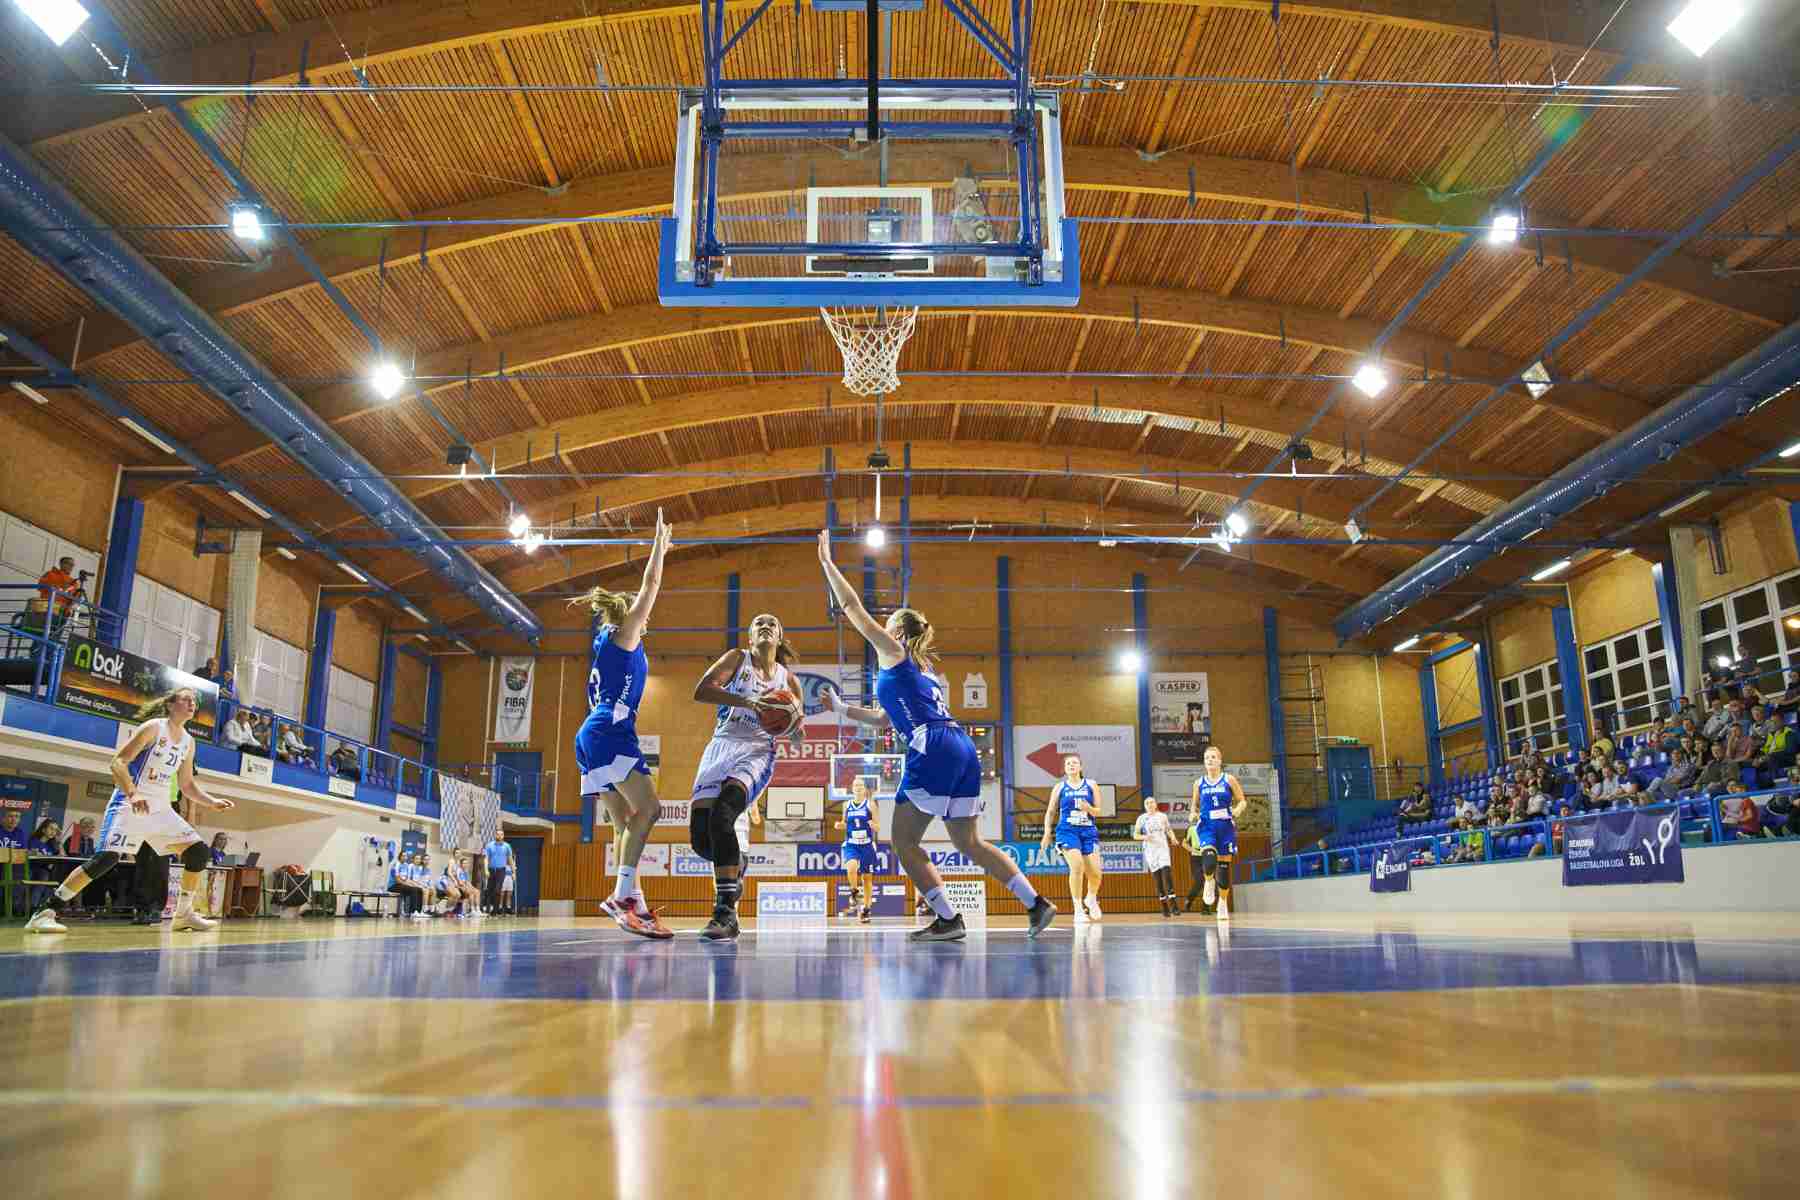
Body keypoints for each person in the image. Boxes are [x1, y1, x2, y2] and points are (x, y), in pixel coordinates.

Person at [816, 527, 1054, 942]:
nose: (881, 629)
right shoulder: (922, 673)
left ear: (898, 634)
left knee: (903, 841)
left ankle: (947, 918)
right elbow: (883, 720)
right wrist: (840, 709)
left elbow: (852, 607)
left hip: (933, 746)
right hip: (960, 746)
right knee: (970, 842)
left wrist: (827, 564)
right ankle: (1036, 903)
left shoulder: (895, 655)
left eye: (887, 625)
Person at [26, 687, 237, 934]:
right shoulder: (153, 727)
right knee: (106, 859)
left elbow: (187, 784)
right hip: (129, 803)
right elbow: (118, 762)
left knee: (198, 852)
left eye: (195, 701)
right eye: (186, 699)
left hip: (160, 809)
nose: (193, 704)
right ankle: (45, 912)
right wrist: (133, 793)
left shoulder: (189, 742)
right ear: (170, 705)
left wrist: (212, 801)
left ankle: (183, 914)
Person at [569, 509, 672, 940]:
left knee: (624, 822)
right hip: (610, 731)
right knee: (650, 810)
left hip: (591, 734)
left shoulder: (606, 645)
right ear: (630, 617)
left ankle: (635, 900)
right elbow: (650, 586)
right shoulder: (624, 639)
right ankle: (621, 896)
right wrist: (659, 547)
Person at [688, 611, 804, 941]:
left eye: (772, 624)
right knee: (702, 841)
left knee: (723, 814)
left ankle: (725, 912)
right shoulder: (737, 660)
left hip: (757, 751)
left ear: (779, 637)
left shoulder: (789, 681)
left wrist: (793, 727)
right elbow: (702, 690)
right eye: (758, 624)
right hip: (722, 745)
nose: (765, 626)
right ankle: (736, 864)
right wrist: (748, 701)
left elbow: (797, 728)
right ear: (750, 637)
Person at [1040, 753, 1106, 922]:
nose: (1071, 765)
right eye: (1068, 763)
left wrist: (1088, 808)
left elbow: (1099, 811)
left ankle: (1091, 898)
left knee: (1096, 874)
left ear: (1080, 767)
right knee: (1077, 866)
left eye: (1075, 762)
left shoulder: (1091, 784)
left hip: (1088, 831)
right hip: (1067, 830)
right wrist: (1047, 832)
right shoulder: (1059, 787)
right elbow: (1051, 811)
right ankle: (1078, 909)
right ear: (1065, 768)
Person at [1184, 745, 1247, 920]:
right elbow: (1194, 806)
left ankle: (1222, 903)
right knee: (1210, 860)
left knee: (1224, 872)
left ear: (1220, 761)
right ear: (1204, 762)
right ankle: (1209, 881)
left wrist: (1237, 810)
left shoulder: (1229, 779)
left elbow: (1242, 801)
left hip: (1225, 826)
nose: (1210, 760)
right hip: (1207, 826)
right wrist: (1192, 814)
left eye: (1213, 757)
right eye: (1207, 758)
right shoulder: (1199, 783)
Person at [834, 775, 881, 923]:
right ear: (852, 789)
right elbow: (845, 823)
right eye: (856, 785)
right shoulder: (846, 805)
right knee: (851, 867)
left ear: (865, 789)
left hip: (866, 844)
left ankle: (866, 910)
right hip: (852, 843)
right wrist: (839, 825)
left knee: (867, 879)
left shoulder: (871, 804)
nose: (858, 788)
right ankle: (854, 892)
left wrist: (874, 825)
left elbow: (878, 826)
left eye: (861, 785)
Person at [1132, 796, 1179, 917]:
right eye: (1147, 803)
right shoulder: (1142, 818)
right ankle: (1164, 906)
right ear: (1145, 806)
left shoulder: (1162, 816)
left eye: (1152, 802)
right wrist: (1145, 837)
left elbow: (1168, 829)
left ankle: (1174, 905)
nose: (1150, 804)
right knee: (1158, 879)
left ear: (1156, 804)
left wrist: (1173, 837)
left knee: (1167, 875)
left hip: (1162, 848)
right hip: (1150, 850)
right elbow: (1135, 835)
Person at [482, 832, 514, 915]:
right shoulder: (489, 845)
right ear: (495, 835)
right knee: (489, 890)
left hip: (501, 870)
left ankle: (495, 911)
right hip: (491, 869)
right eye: (498, 834)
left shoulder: (507, 846)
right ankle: (487, 909)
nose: (499, 836)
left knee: (497, 890)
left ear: (503, 836)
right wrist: (486, 870)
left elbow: (510, 859)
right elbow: (486, 858)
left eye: (501, 834)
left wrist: (513, 872)